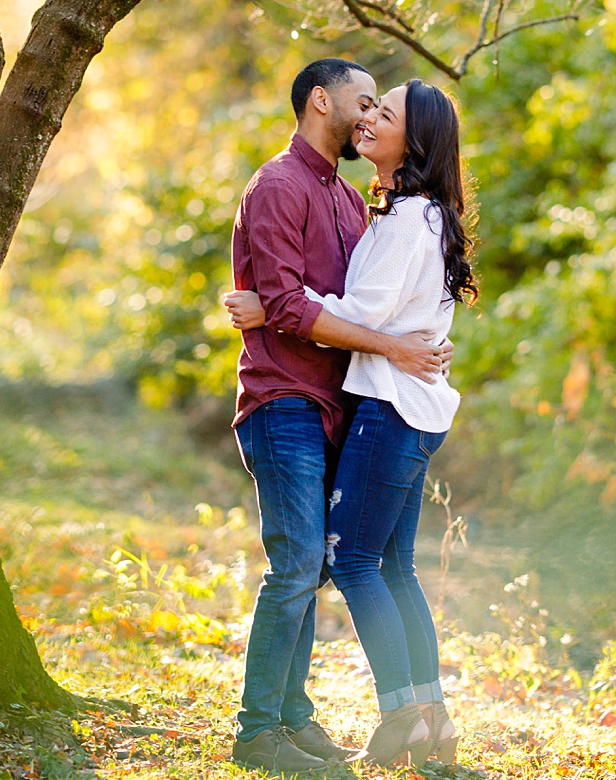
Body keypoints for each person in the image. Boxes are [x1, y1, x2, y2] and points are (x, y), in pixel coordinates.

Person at [226, 79, 475, 767]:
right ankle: (423, 718)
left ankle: (404, 716)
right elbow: (379, 309)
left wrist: (274, 304)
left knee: (354, 561)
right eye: (366, 104)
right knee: (387, 566)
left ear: (412, 139)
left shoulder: (394, 216)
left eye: (383, 111)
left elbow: (362, 314)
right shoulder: (397, 211)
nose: (370, 117)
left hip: (384, 407)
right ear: (321, 101)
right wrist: (282, 306)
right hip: (359, 402)